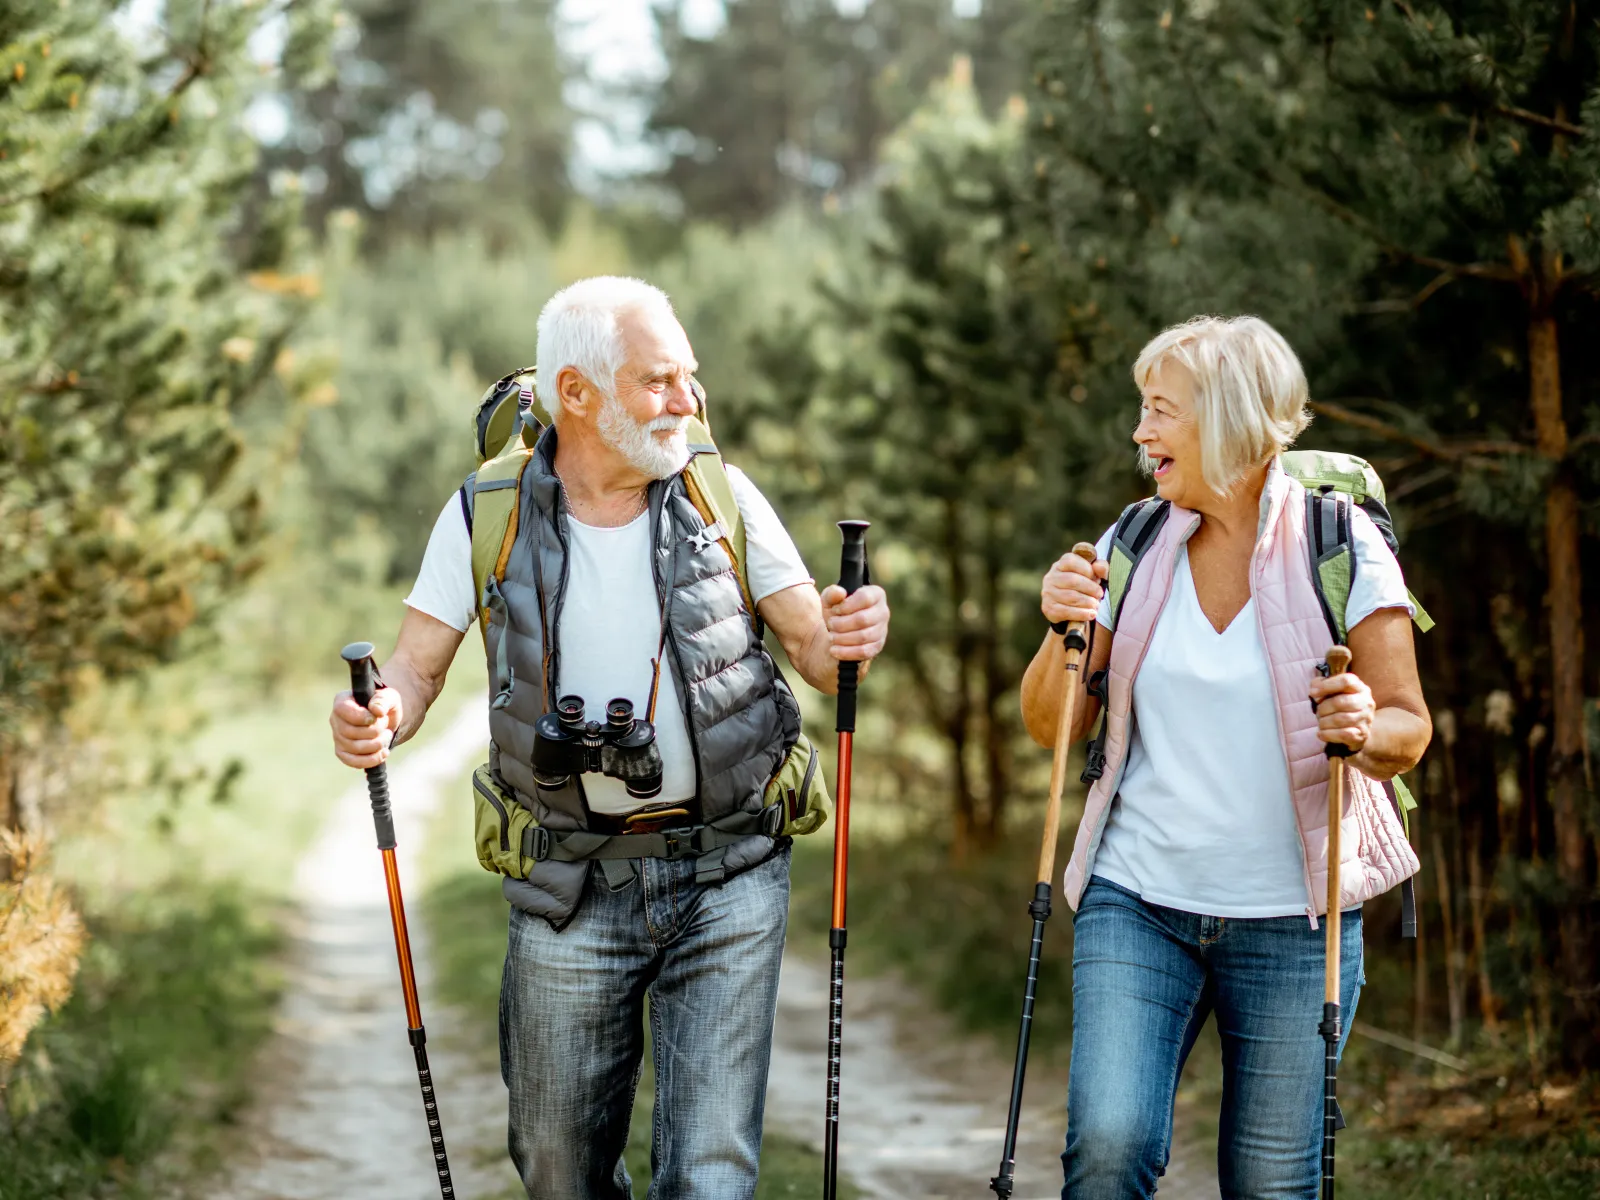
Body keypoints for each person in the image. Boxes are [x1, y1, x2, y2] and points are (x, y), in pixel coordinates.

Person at [328, 276, 890, 1200]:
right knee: (557, 1170)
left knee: (709, 1176)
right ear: (577, 393)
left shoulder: (721, 494)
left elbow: (822, 656)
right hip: (566, 879)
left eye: (688, 377)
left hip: (730, 870)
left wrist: (857, 631)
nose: (686, 402)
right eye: (657, 381)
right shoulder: (487, 511)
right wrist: (376, 714)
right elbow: (415, 672)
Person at [1021, 315, 1429, 1199]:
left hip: (1294, 921)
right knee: (1107, 1146)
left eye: (1161, 411)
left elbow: (1409, 728)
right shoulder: (1133, 542)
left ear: (1231, 421)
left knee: (1273, 1186)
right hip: (1139, 902)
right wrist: (1062, 631)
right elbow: (1054, 726)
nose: (1140, 432)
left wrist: (1362, 726)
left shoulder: (1339, 545)